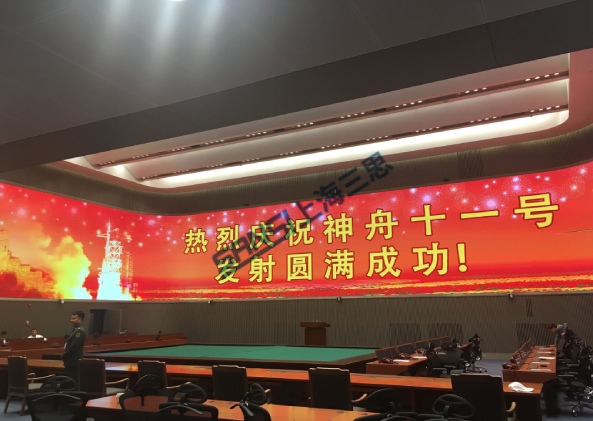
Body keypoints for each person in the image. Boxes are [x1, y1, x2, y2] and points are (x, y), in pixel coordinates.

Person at [61, 310, 86, 382]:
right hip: (70, 360)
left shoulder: (80, 331)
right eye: (71, 318)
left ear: (80, 319)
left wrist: (64, 354)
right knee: (69, 380)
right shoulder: (74, 330)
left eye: (74, 318)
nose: (71, 320)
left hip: (74, 360)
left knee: (72, 380)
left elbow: (74, 346)